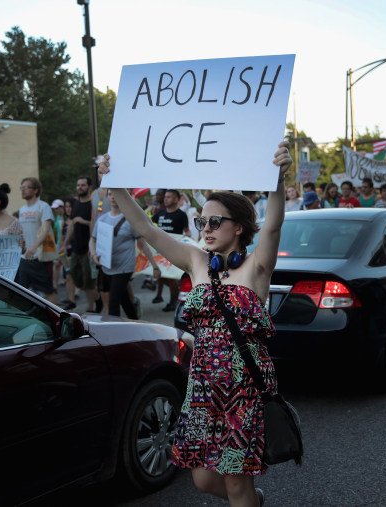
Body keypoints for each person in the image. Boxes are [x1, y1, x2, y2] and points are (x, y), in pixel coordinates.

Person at [98, 140, 293, 506]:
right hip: (202, 387)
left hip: (243, 388)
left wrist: (278, 180)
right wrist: (116, 185)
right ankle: (252, 499)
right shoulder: (195, 260)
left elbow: (273, 226)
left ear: (238, 228)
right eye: (202, 220)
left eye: (215, 221)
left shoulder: (256, 268)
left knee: (236, 483)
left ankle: (246, 498)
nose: (205, 227)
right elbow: (147, 228)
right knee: (203, 478)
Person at [89, 189, 160, 319]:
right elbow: (92, 240)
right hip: (107, 267)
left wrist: (155, 266)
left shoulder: (130, 220)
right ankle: (137, 325)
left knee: (113, 302)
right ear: (107, 197)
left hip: (124, 268)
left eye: (115, 194)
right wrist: (94, 255)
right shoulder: (102, 220)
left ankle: (114, 335)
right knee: (125, 301)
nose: (113, 197)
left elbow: (143, 244)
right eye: (110, 194)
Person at [15, 177, 59, 305]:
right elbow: (22, 232)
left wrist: (34, 246)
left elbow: (45, 230)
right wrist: (22, 246)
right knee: (21, 291)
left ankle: (59, 318)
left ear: (35, 190)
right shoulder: (22, 210)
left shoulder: (43, 206)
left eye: (26, 187)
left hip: (40, 258)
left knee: (48, 291)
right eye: (21, 187)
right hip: (24, 258)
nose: (22, 190)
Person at [63, 176, 99, 312]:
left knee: (89, 281)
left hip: (87, 248)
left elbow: (95, 224)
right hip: (76, 248)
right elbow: (72, 225)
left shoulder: (93, 203)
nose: (80, 188)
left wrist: (92, 245)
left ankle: (91, 308)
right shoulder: (75, 203)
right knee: (76, 278)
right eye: (78, 185)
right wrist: (65, 244)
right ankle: (98, 297)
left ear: (89, 187)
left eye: (83, 185)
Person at [152, 189, 191, 311]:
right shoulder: (160, 213)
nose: (165, 199)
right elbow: (149, 225)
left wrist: (187, 236)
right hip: (159, 251)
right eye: (165, 197)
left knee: (171, 277)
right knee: (161, 276)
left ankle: (173, 301)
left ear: (176, 200)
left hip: (174, 251)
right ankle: (176, 292)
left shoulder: (181, 214)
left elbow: (187, 231)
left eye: (169, 197)